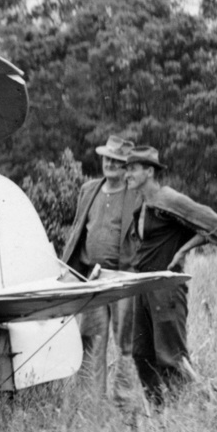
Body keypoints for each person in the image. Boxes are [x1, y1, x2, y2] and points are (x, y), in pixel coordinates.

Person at [121, 146, 217, 404]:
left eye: (133, 169)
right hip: (143, 287)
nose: (127, 175)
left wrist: (183, 250)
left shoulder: (169, 198)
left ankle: (204, 403)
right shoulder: (143, 204)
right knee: (141, 354)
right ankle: (161, 414)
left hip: (167, 288)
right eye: (127, 169)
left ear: (149, 171)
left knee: (171, 358)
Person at [59, 135, 141, 399]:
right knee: (91, 340)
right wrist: (70, 270)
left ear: (126, 165)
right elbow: (77, 232)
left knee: (125, 344)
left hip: (122, 280)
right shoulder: (89, 190)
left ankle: (125, 403)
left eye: (117, 161)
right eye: (107, 158)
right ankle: (90, 403)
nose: (110, 164)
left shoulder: (137, 196)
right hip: (92, 278)